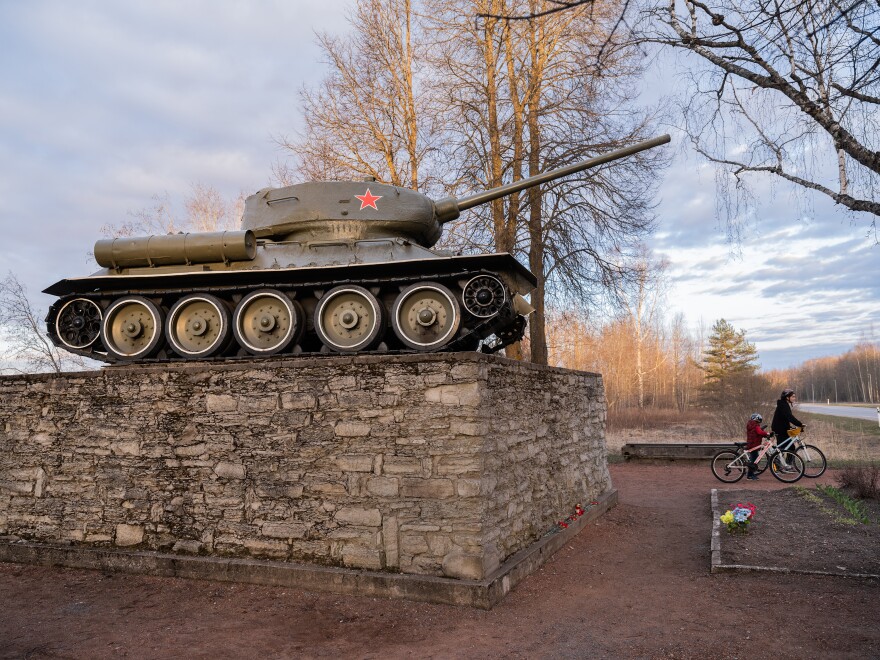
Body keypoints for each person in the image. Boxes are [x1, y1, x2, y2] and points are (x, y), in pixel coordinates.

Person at [771, 388, 805, 466]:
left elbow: (785, 418)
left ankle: (787, 465)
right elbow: (789, 417)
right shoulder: (783, 405)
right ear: (787, 397)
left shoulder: (784, 404)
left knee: (790, 448)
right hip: (779, 429)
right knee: (783, 449)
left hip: (783, 428)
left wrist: (791, 427)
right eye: (793, 396)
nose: (794, 398)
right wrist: (799, 424)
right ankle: (777, 466)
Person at [745, 413, 770, 480]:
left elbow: (757, 432)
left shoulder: (751, 424)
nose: (760, 421)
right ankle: (750, 475)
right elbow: (759, 432)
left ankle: (750, 474)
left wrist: (764, 433)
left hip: (752, 444)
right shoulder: (755, 425)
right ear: (756, 419)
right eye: (759, 419)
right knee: (754, 460)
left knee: (754, 459)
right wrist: (767, 433)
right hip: (754, 445)